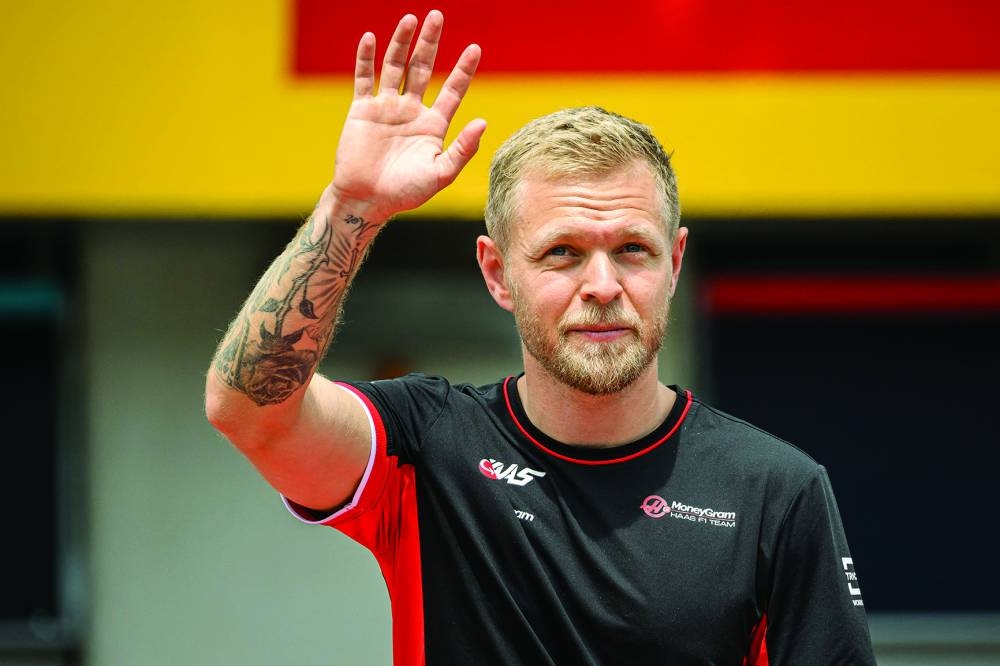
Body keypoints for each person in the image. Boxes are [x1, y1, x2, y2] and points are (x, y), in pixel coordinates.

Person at [206, 10, 876, 665]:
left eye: (633, 249)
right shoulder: (427, 445)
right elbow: (250, 408)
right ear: (498, 274)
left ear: (673, 264)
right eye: (562, 252)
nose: (603, 284)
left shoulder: (776, 492)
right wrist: (351, 205)